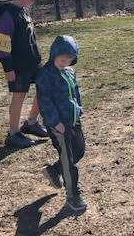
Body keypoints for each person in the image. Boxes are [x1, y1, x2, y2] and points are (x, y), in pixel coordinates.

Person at [0, 0, 48, 148]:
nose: (33, 1)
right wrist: (8, 68)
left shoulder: (23, 11)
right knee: (19, 96)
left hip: (33, 62)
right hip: (18, 65)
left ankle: (31, 123)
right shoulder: (8, 13)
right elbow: (2, 45)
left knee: (44, 88)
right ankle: (13, 133)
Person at [36, 35, 87, 212]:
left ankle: (53, 171)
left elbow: (75, 92)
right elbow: (45, 101)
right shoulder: (45, 74)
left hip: (73, 120)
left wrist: (79, 107)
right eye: (62, 59)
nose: (64, 63)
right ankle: (73, 195)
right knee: (69, 160)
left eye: (69, 60)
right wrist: (54, 122)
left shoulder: (69, 72)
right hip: (58, 125)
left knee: (79, 151)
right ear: (53, 55)